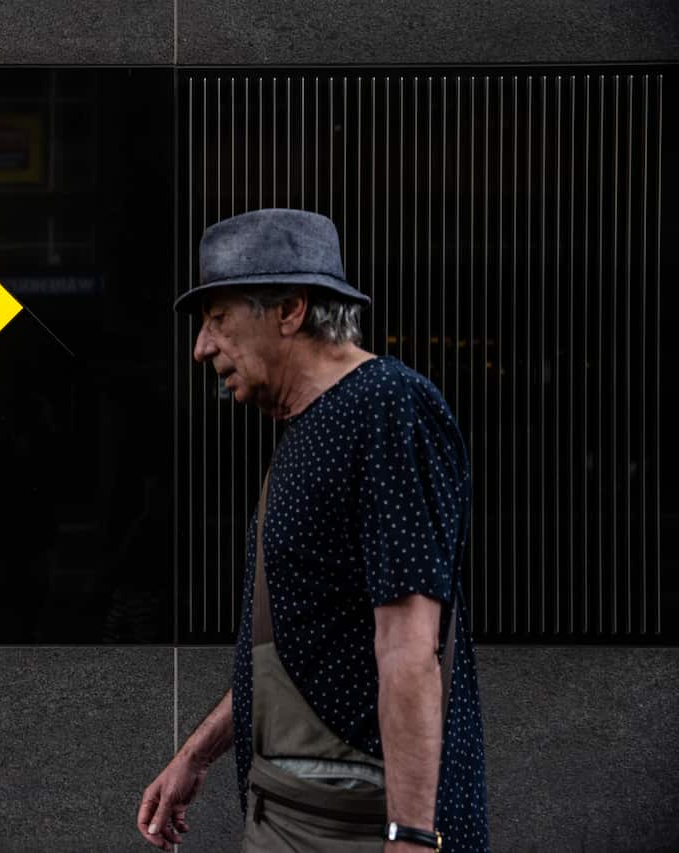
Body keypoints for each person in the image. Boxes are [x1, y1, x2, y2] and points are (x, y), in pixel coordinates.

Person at [136, 209, 488, 852]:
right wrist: (199, 753)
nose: (202, 347)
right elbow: (303, 641)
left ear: (290, 309)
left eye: (218, 319)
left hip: (361, 825)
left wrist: (410, 837)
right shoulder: (305, 431)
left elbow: (410, 647)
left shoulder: (387, 407)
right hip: (296, 817)